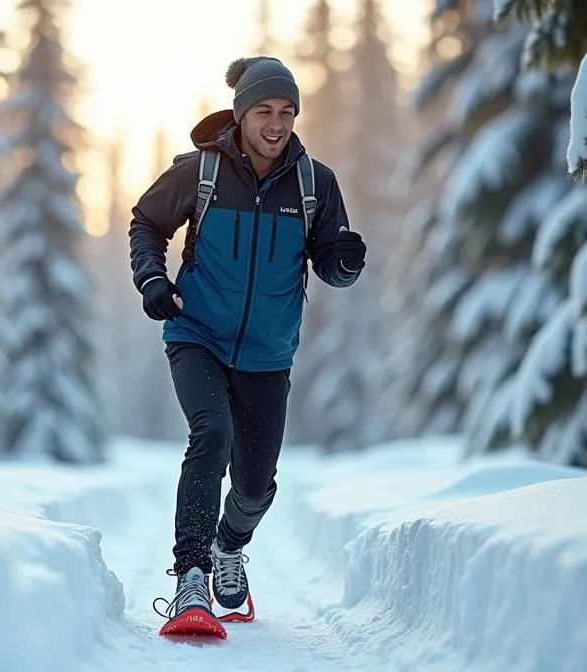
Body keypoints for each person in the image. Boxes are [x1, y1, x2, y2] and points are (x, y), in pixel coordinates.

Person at [130, 56, 366, 637]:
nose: (277, 122)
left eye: (287, 112)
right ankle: (191, 575)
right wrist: (152, 279)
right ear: (241, 115)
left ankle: (229, 546)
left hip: (268, 352)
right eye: (264, 110)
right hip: (197, 334)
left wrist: (343, 262)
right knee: (210, 434)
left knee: (257, 483)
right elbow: (146, 222)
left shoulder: (316, 183)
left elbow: (329, 262)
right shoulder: (199, 171)